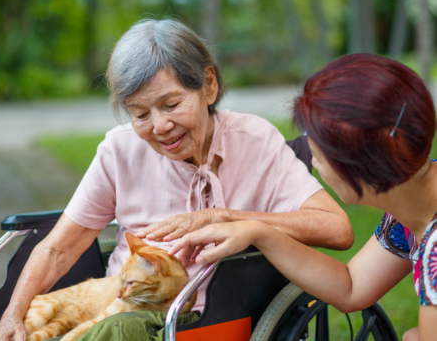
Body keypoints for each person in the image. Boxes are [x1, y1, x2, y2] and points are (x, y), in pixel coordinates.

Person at [0, 19, 353, 341]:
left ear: (208, 86)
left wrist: (229, 217)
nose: (160, 127)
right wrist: (13, 313)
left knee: (118, 330)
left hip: (205, 318)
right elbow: (57, 249)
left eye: (171, 104)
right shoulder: (120, 150)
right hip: (122, 304)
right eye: (140, 113)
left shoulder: (254, 141)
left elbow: (336, 229)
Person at [170, 53, 437, 340]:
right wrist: (259, 232)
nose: (316, 165)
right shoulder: (408, 214)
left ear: (360, 165)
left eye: (319, 156)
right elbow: (352, 287)